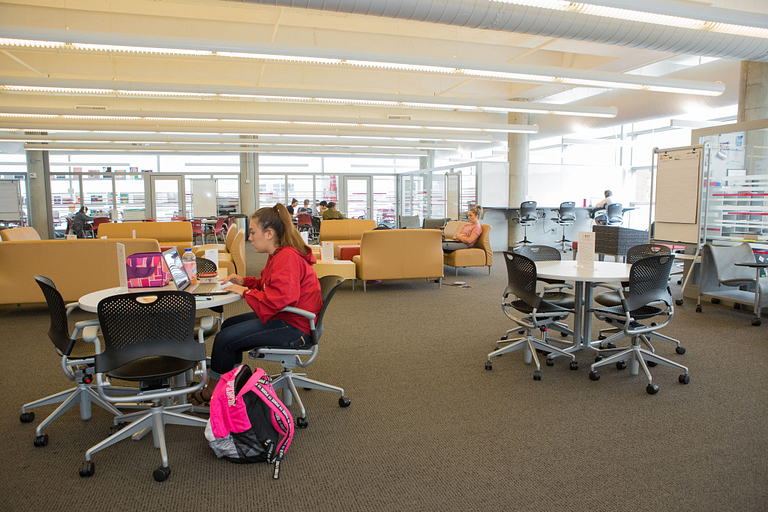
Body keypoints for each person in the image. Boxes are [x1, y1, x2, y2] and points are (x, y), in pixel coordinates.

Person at [189, 203, 322, 405]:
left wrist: (245, 292)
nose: (249, 238)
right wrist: (245, 282)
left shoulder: (286, 257)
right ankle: (231, 386)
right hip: (292, 317)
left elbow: (278, 299)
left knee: (224, 339)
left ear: (269, 233)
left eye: (252, 232)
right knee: (229, 325)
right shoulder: (279, 254)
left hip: (295, 327)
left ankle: (213, 392)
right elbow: (271, 283)